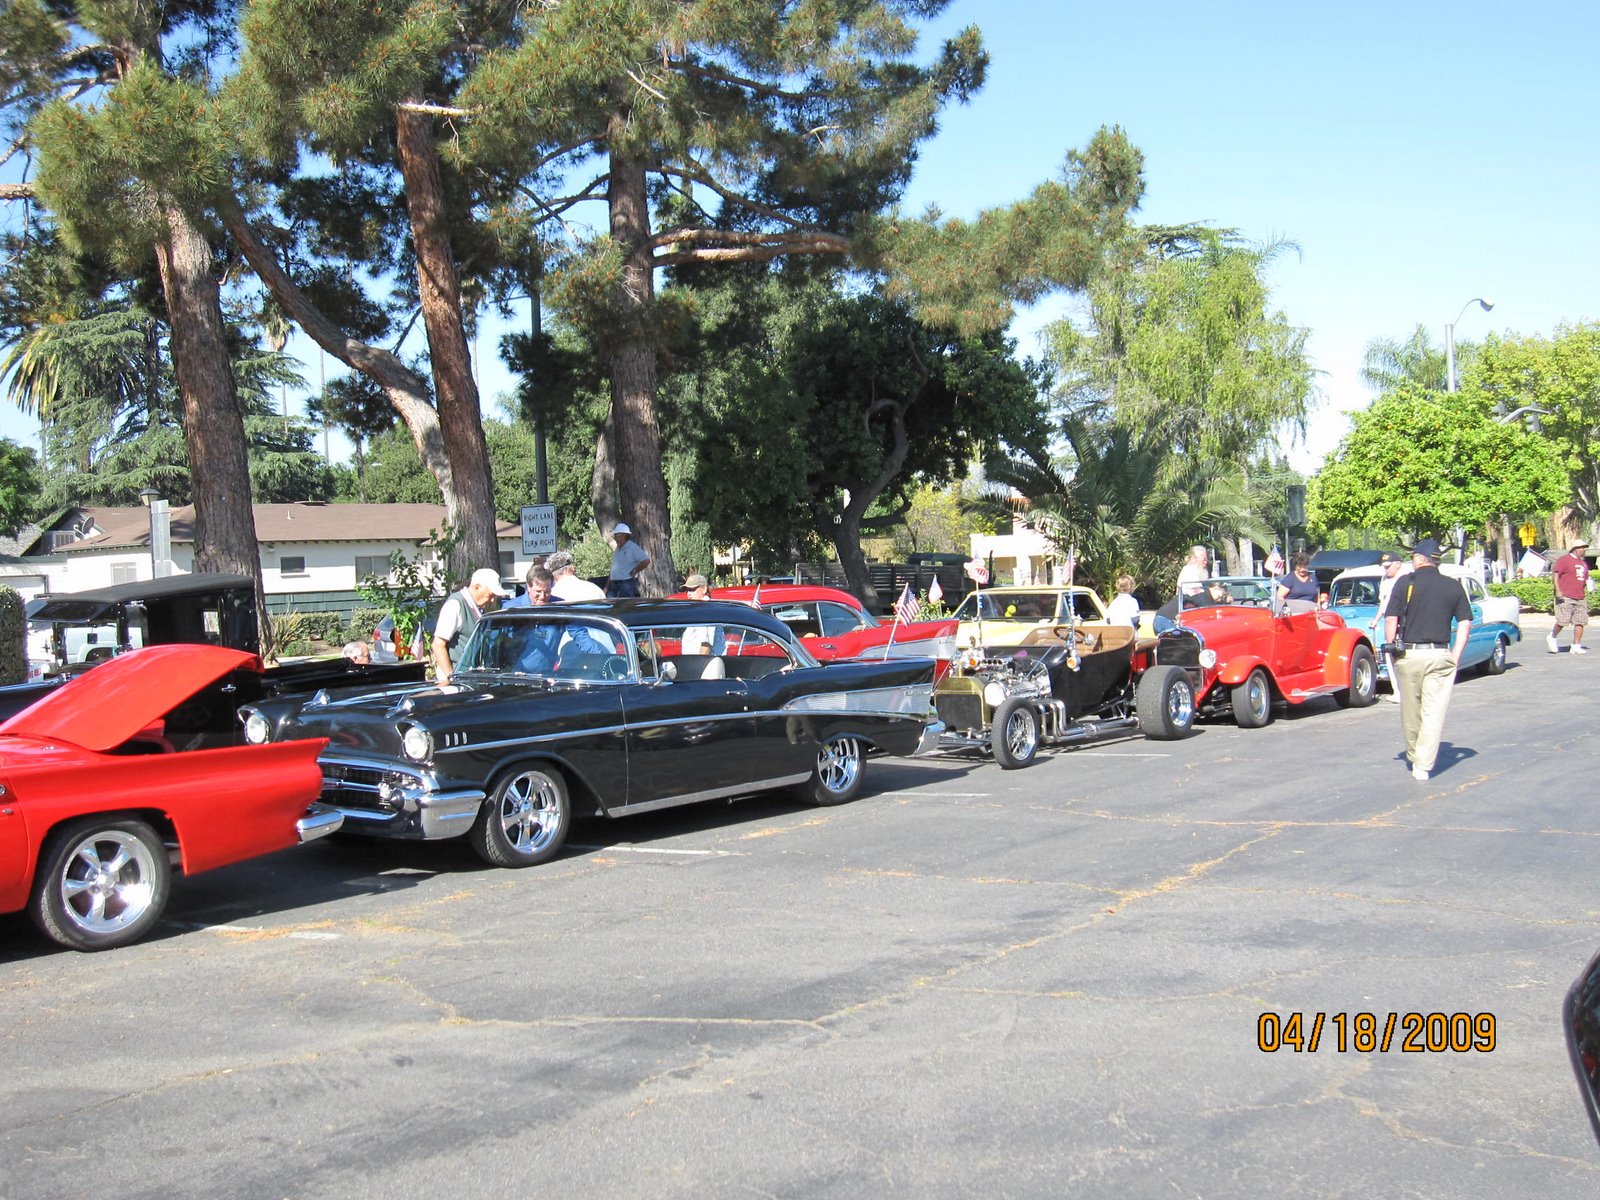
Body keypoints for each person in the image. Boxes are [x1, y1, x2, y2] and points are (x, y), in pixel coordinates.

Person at [1384, 538, 1472, 782]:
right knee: (1434, 712)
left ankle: (1415, 755)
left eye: (1413, 557)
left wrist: (1392, 648)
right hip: (1440, 654)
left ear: (1420, 559)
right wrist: (1455, 656)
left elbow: (1391, 619)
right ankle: (1423, 765)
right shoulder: (1453, 586)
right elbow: (1465, 623)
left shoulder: (1405, 583)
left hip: (1409, 654)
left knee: (1410, 710)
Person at [431, 568, 508, 684]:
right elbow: (438, 644)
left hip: (471, 679)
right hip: (455, 681)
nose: (492, 600)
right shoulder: (455, 605)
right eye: (490, 595)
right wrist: (451, 677)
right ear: (477, 587)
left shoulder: (478, 608)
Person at [1369, 554, 1410, 703]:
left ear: (1398, 564)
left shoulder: (1406, 579)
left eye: (1388, 566)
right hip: (1389, 620)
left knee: (1401, 656)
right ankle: (1397, 691)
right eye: (1384, 567)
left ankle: (1405, 691)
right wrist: (1376, 619)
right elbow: (1384, 603)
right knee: (1389, 654)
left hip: (1402, 621)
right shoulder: (1385, 580)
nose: (1386, 570)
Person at [1549, 538, 1590, 654]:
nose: (1584, 550)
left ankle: (1576, 645)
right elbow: (1556, 574)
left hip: (1580, 596)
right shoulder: (1564, 560)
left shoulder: (1583, 563)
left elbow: (1584, 578)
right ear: (1576, 549)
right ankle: (1552, 636)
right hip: (1566, 595)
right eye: (1582, 548)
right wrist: (1558, 590)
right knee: (1563, 621)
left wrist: (1588, 586)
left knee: (1580, 621)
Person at [679, 572, 726, 655]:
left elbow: (706, 645)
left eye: (692, 590)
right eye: (687, 590)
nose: (689, 594)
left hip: (704, 662)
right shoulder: (700, 610)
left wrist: (699, 662)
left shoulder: (706, 611)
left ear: (704, 589)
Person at [607, 522, 650, 598]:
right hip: (614, 584)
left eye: (616, 535)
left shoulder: (632, 547)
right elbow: (613, 569)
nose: (615, 538)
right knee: (611, 604)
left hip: (626, 583)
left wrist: (635, 571)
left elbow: (646, 561)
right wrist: (606, 587)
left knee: (626, 604)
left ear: (624, 535)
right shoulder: (617, 549)